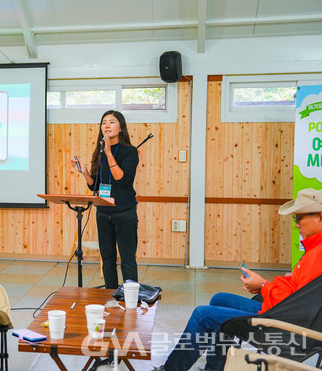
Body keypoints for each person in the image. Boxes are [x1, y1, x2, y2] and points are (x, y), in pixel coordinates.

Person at [152, 187, 322, 371]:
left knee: (202, 315)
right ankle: (215, 368)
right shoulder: (315, 249)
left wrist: (264, 286)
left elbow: (296, 307)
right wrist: (264, 286)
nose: (296, 224)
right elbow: (298, 296)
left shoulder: (317, 255)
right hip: (281, 315)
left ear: (319, 216)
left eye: (299, 218)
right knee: (220, 299)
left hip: (281, 325)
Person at [70, 110, 139, 288]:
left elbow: (122, 180)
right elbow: (95, 186)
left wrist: (108, 153)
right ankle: (110, 295)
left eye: (112, 122)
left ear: (121, 127)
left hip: (124, 213)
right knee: (107, 258)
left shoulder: (130, 152)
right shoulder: (100, 152)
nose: (106, 125)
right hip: (103, 212)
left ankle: (129, 299)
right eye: (104, 122)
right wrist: (84, 172)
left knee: (127, 259)